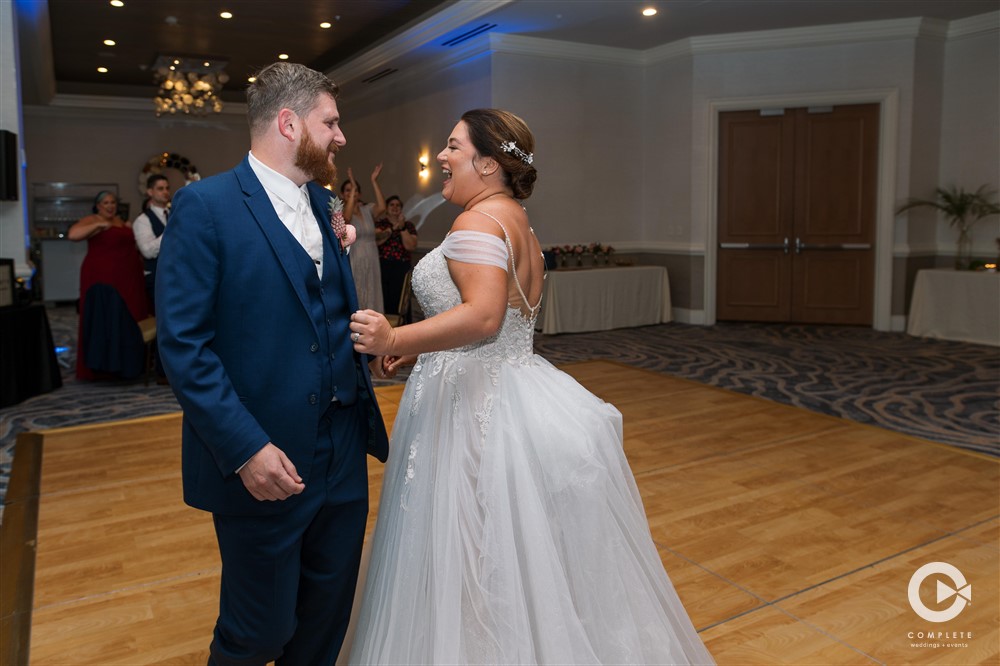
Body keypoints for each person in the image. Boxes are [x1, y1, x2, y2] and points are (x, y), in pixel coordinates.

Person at [347, 109, 714, 664]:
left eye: (452, 147)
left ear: (488, 163)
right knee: (504, 543)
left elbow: (484, 317)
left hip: (469, 402)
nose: (441, 157)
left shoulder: (475, 224)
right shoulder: (518, 220)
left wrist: (394, 336)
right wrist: (419, 345)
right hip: (509, 383)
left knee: (463, 538)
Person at [155, 62, 390, 666]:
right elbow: (184, 345)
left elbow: (322, 312)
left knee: (324, 621)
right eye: (330, 122)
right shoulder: (204, 207)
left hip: (341, 450)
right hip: (264, 458)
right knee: (256, 631)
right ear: (289, 123)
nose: (340, 136)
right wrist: (244, 450)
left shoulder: (326, 204)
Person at [68, 190, 149, 380]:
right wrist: (98, 224)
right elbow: (73, 234)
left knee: (130, 317)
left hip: (128, 276)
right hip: (103, 278)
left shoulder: (121, 221)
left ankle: (127, 364)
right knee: (107, 316)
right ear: (98, 206)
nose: (110, 206)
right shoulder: (93, 219)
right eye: (106, 203)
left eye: (113, 202)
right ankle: (104, 366)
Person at [341, 165, 385, 312]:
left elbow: (382, 207)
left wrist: (374, 180)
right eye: (347, 190)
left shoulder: (367, 210)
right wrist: (353, 184)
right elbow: (346, 218)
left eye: (354, 190)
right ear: (342, 194)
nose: (352, 192)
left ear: (359, 194)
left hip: (371, 255)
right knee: (357, 288)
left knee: (372, 288)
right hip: (354, 256)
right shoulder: (341, 212)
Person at [132, 173, 172, 314]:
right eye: (160, 188)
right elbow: (147, 251)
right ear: (150, 192)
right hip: (157, 277)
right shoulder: (142, 220)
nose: (166, 192)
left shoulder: (174, 213)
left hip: (178, 275)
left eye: (167, 188)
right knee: (163, 318)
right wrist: (172, 230)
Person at [374, 194, 417, 317]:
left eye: (398, 205)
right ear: (386, 208)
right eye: (391, 205)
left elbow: (411, 246)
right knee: (384, 298)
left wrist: (402, 228)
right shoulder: (380, 224)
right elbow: (378, 241)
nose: (395, 207)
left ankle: (402, 327)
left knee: (401, 300)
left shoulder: (408, 226)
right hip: (383, 266)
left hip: (402, 267)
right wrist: (393, 228)